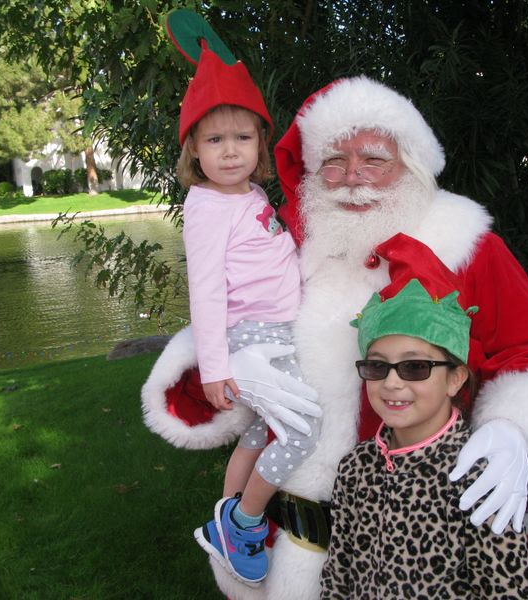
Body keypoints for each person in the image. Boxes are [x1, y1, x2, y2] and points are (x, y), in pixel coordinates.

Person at [143, 75, 528, 600]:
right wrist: (232, 361)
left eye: (373, 159)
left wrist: (517, 428)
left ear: (411, 164)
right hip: (289, 545)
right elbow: (224, 305)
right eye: (333, 160)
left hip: (411, 545)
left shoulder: (466, 245)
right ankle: (239, 529)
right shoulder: (290, 237)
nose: (352, 177)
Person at [163, 16, 322, 587]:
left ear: (260, 139)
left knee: (261, 433)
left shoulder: (251, 193)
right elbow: (205, 290)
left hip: (276, 337)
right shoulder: (206, 206)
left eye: (242, 137)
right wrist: (215, 365)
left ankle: (224, 529)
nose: (230, 152)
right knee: (305, 431)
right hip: (248, 341)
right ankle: (245, 521)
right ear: (194, 151)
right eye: (214, 140)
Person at [321, 240, 528, 599]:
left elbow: (507, 590)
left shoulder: (478, 477)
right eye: (377, 366)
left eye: (415, 367)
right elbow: (337, 575)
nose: (392, 382)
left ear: (455, 378)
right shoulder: (355, 468)